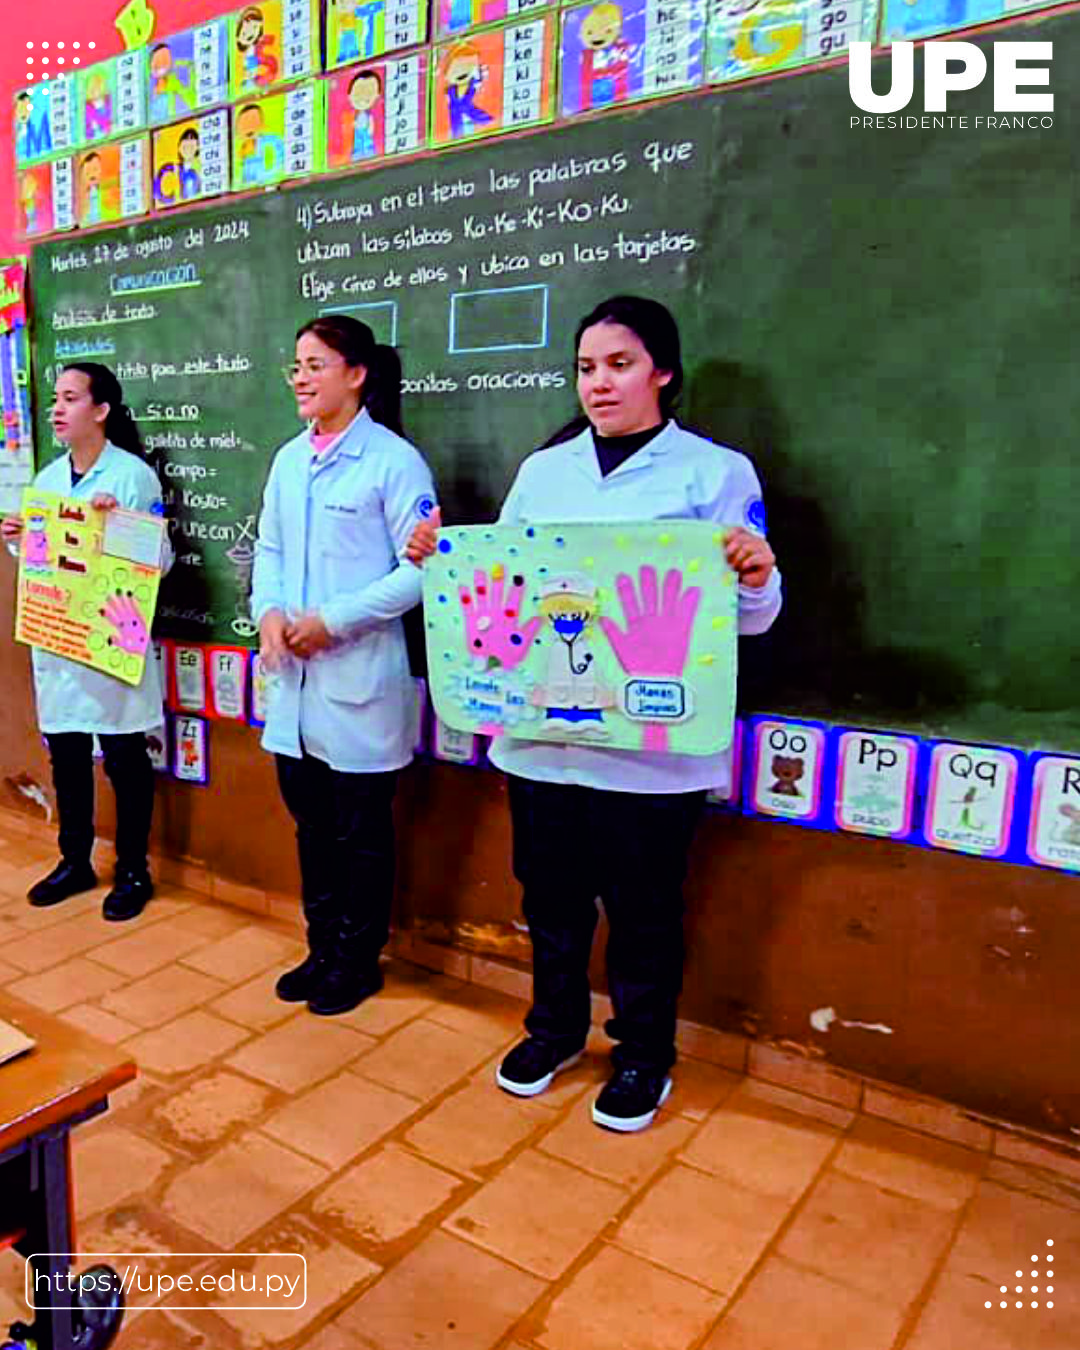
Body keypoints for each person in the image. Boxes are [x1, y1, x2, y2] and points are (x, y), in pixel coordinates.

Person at [407, 295, 781, 1132]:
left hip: (653, 752)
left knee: (645, 911)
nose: (599, 384)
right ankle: (555, 1031)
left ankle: (644, 1055)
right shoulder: (547, 472)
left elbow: (751, 615)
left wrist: (756, 575)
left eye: (618, 365)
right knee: (551, 901)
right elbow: (496, 587)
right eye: (585, 368)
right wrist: (443, 560)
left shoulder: (715, 473)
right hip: (543, 745)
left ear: (663, 372)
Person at [252, 315, 437, 1017]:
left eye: (315, 364)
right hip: (293, 684)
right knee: (311, 827)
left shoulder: (394, 462)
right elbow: (267, 551)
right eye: (295, 365)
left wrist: (335, 621)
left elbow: (421, 576)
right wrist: (270, 614)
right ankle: (320, 946)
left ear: (356, 374)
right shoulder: (287, 459)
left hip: (359, 678)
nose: (300, 378)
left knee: (362, 835)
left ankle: (357, 960)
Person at [1, 364, 172, 921]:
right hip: (60, 640)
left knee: (124, 757)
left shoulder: (132, 478)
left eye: (70, 399)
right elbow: (44, 564)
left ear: (100, 411)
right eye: (55, 399)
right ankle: (74, 859)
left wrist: (119, 523)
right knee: (68, 756)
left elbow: (160, 561)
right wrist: (19, 540)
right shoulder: (46, 482)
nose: (56, 409)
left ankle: (133, 870)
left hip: (111, 640)